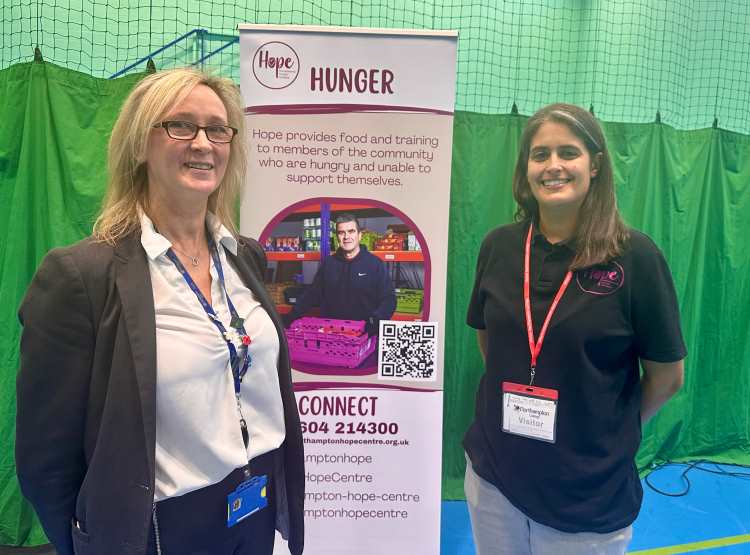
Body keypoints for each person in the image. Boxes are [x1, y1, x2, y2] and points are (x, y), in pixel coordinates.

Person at [15, 68, 304, 555]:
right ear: (138, 144)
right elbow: (46, 457)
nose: (203, 143)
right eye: (180, 125)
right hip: (160, 525)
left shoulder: (244, 257)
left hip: (254, 504)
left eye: (217, 129)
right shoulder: (81, 276)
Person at [465, 103, 686, 554]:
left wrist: (609, 429)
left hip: (586, 491)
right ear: (526, 166)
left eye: (568, 152)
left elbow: (667, 377)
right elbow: (489, 339)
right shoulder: (500, 247)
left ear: (596, 164)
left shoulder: (637, 258)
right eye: (540, 154)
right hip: (495, 474)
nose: (553, 166)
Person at [284, 214, 396, 336]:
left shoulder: (375, 264)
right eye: (341, 233)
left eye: (351, 231)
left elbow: (389, 299)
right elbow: (312, 294)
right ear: (337, 237)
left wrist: (375, 321)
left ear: (359, 235)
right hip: (331, 334)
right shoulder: (329, 264)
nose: (346, 237)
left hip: (363, 334)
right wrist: (291, 316)